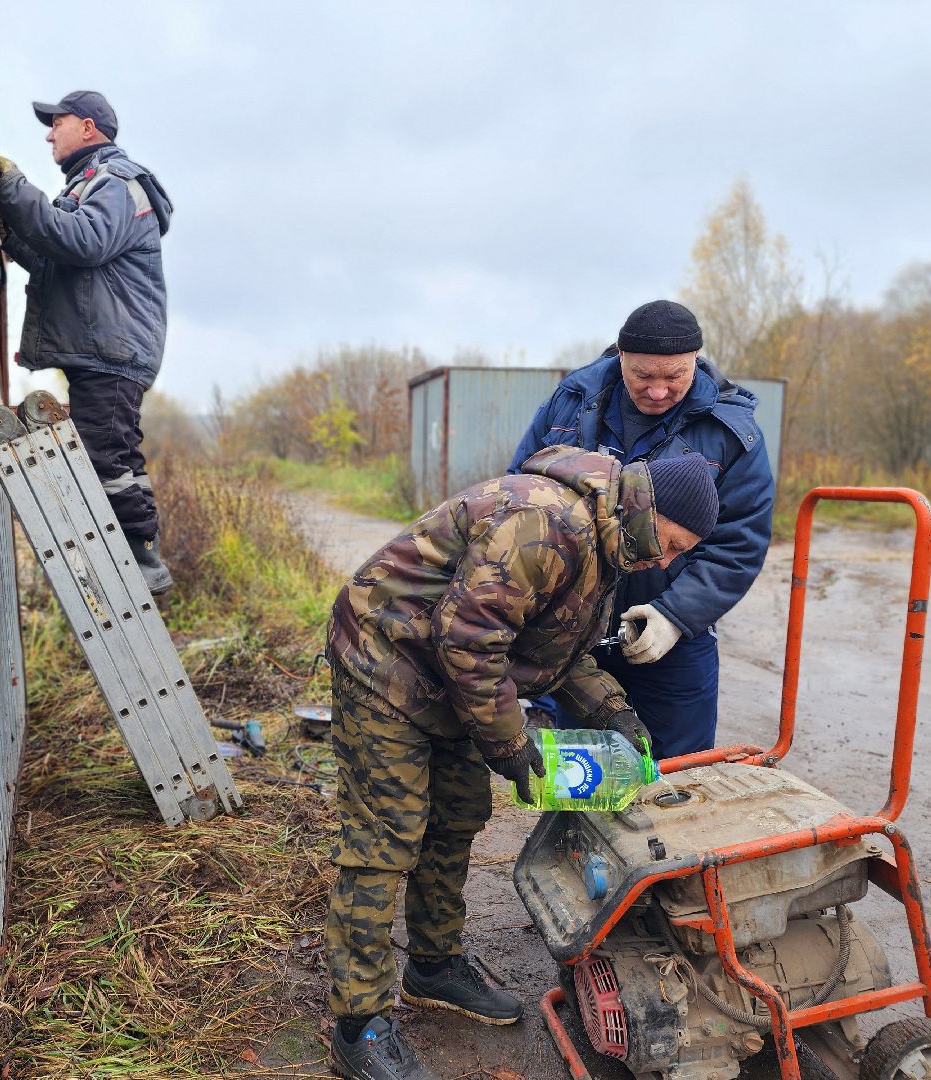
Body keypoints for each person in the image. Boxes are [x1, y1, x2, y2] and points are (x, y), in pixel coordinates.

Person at [323, 446, 719, 1080]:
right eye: (670, 544)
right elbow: (471, 641)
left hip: (449, 681)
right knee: (386, 839)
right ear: (650, 510)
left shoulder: (608, 542)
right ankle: (359, 1020)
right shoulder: (544, 523)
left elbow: (563, 653)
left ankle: (434, 965)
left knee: (455, 818)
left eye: (679, 554)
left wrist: (615, 714)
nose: (665, 562)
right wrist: (512, 746)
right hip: (387, 664)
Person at [510, 300, 775, 759]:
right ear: (621, 360)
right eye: (642, 376)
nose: (657, 391)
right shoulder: (569, 404)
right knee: (583, 767)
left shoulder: (731, 432)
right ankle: (577, 835)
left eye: (674, 377)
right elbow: (520, 498)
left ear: (696, 361)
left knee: (678, 773)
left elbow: (739, 544)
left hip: (671, 640)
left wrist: (675, 615)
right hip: (574, 629)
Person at [0, 90, 177, 594]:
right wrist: (10, 236)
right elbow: (58, 258)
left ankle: (140, 565)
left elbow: (83, 241)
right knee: (116, 451)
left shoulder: (115, 182)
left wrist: (12, 187)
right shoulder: (92, 184)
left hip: (111, 350)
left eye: (58, 122)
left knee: (104, 455)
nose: (50, 133)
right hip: (105, 347)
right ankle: (138, 554)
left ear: (89, 127)